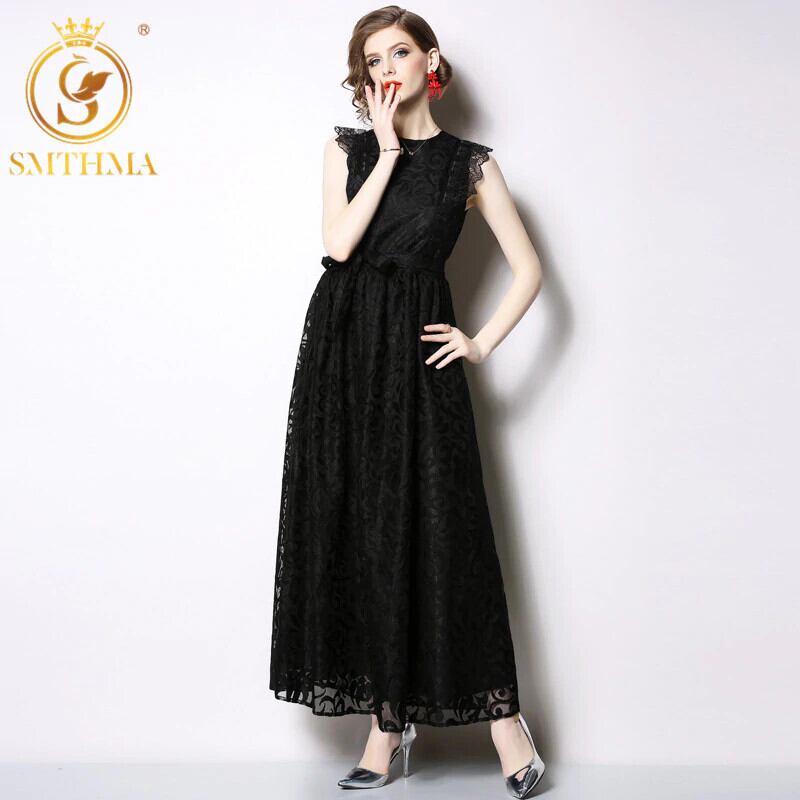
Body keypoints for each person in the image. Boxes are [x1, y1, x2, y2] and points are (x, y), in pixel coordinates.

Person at [268, 5, 545, 797]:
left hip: (421, 365)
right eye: (372, 61)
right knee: (361, 531)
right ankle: (386, 729)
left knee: (445, 531)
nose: (386, 69)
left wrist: (479, 343)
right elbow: (338, 247)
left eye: (398, 52)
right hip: (343, 356)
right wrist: (387, 151)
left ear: (431, 59)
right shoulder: (348, 149)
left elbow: (529, 270)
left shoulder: (469, 165)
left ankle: (505, 723)